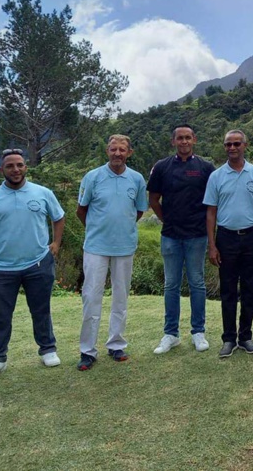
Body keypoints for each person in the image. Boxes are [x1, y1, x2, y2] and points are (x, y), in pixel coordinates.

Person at [0, 149, 65, 378]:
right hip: (1, 269)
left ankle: (47, 349)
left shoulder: (42, 193)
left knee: (41, 311)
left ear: (25, 167)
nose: (16, 170)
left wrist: (55, 244)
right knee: (1, 316)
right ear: (1, 170)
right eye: (10, 166)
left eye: (20, 165)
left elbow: (58, 217)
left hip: (38, 265)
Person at [75, 135, 148, 371]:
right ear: (107, 151)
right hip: (96, 247)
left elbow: (138, 211)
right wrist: (99, 229)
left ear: (130, 152)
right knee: (91, 297)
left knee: (121, 297)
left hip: (125, 247)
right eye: (113, 149)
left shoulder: (136, 179)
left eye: (122, 150)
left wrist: (121, 228)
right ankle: (87, 351)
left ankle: (116, 344)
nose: (118, 153)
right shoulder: (93, 177)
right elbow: (81, 210)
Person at [148, 125, 215, 354]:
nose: (184, 141)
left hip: (197, 235)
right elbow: (154, 199)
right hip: (171, 235)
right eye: (180, 138)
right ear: (173, 141)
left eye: (188, 137)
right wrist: (165, 219)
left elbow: (213, 201)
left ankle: (198, 331)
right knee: (171, 285)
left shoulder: (206, 168)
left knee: (197, 283)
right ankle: (171, 334)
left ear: (194, 140)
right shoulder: (162, 167)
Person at [203, 130, 253, 359]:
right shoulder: (216, 176)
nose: (232, 148)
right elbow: (211, 212)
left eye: (236, 143)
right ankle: (229, 339)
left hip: (252, 236)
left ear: (245, 145)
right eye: (228, 144)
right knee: (228, 290)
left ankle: (246, 337)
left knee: (250, 289)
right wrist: (212, 245)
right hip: (226, 237)